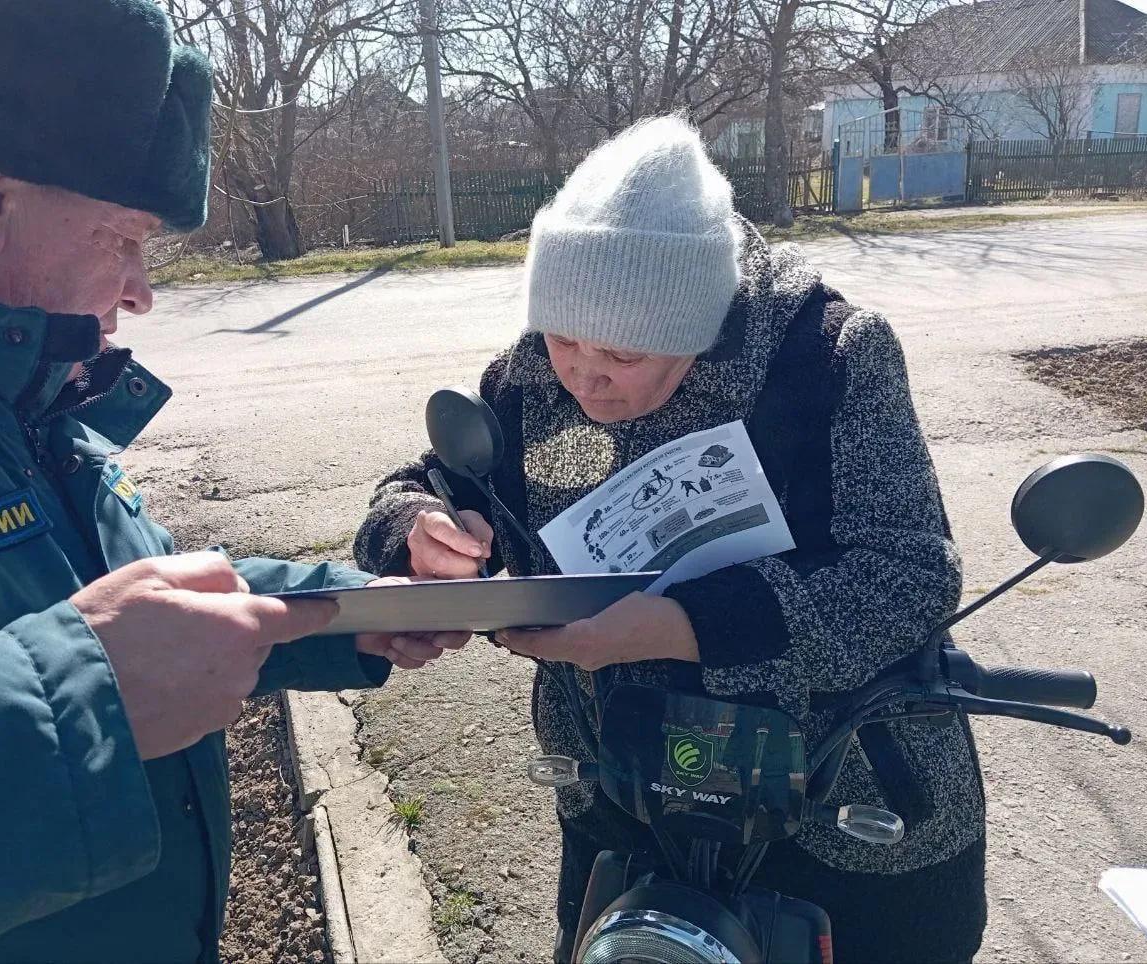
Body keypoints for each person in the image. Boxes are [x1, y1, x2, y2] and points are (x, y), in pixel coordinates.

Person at [0, 2, 466, 961]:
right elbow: (106, 661)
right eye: (124, 236)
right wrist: (89, 700)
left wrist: (356, 610)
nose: (143, 289)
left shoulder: (12, 384)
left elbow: (149, 612)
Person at [354, 116, 988, 963]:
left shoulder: (824, 354)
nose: (583, 373)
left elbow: (908, 574)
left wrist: (678, 627)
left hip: (842, 801)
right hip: (626, 795)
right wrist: (418, 529)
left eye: (622, 350)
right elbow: (426, 484)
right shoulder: (531, 376)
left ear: (700, 320)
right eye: (563, 336)